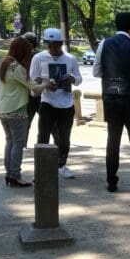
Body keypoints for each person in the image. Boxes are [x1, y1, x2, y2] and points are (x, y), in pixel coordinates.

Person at [93, 12, 130, 193]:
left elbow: (96, 71)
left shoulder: (104, 44)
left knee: (113, 140)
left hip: (110, 98)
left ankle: (112, 181)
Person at [29, 28, 82, 178]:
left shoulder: (70, 59)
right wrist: (44, 83)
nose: (52, 49)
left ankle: (61, 164)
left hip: (66, 104)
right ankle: (41, 169)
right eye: (49, 45)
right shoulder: (39, 58)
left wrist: (72, 79)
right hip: (47, 102)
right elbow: (32, 79)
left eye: (56, 45)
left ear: (61, 44)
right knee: (43, 136)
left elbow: (79, 79)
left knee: (64, 137)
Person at [0, 37, 47, 187]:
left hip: (2, 109)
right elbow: (35, 89)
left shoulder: (3, 64)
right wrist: (45, 82)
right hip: (16, 109)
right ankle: (15, 175)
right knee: (18, 143)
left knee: (10, 141)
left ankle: (9, 173)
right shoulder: (16, 67)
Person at [21, 32, 41, 136]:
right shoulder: (41, 56)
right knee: (47, 122)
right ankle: (57, 144)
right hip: (41, 92)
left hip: (27, 94)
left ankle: (22, 146)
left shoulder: (22, 57)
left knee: (25, 123)